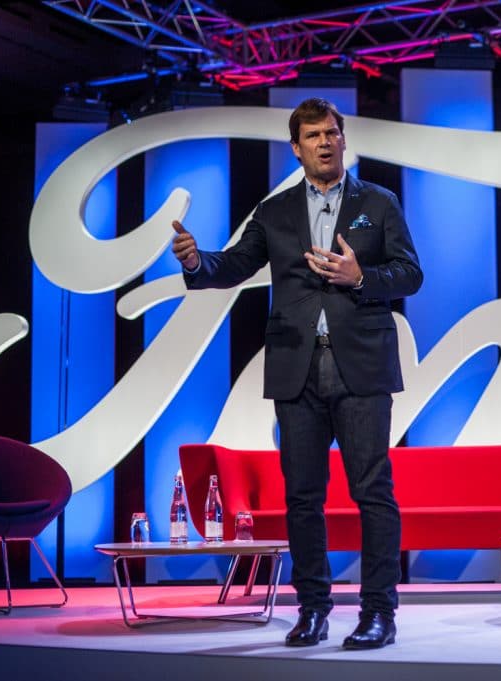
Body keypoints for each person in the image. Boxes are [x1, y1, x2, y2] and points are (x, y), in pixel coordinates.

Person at [171, 97, 422, 649]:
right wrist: (195, 260)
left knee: (373, 492)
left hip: (360, 365)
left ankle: (379, 611)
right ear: (297, 147)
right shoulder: (276, 210)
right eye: (313, 135)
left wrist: (361, 276)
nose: (325, 142)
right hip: (296, 368)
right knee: (302, 497)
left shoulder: (378, 203)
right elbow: (232, 265)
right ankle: (312, 609)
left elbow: (410, 274)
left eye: (332, 132)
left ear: (343, 139)